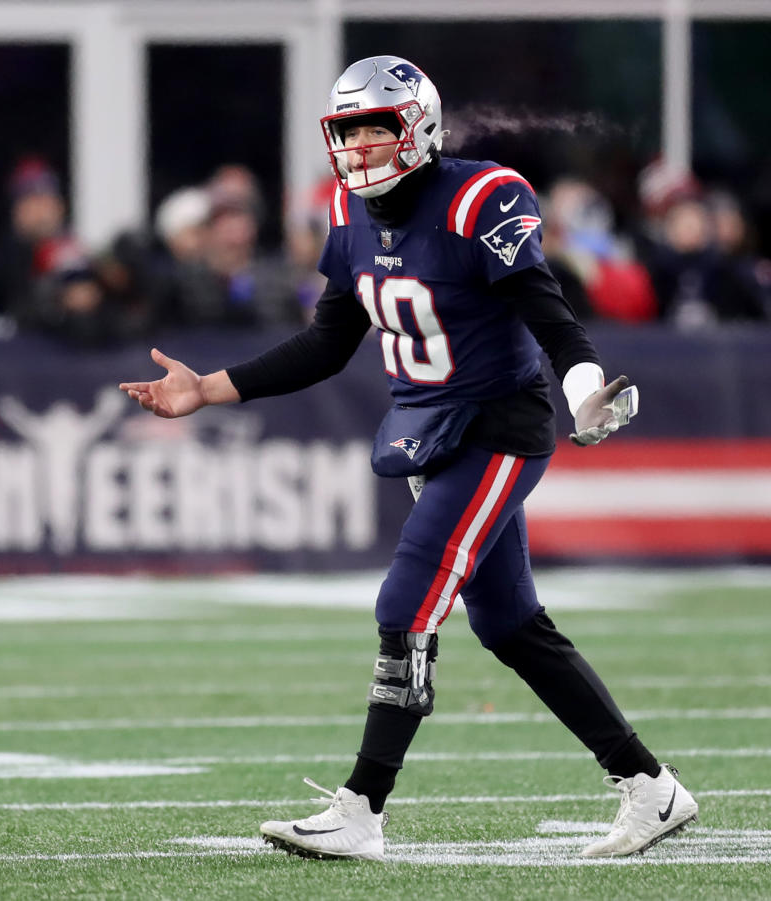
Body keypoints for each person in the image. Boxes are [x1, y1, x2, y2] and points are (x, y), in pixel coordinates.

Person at [119, 56, 698, 861]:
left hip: (498, 426)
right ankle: (651, 786)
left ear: (418, 127)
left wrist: (586, 390)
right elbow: (328, 340)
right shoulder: (347, 209)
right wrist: (208, 388)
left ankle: (363, 806)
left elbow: (553, 317)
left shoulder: (479, 197)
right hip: (430, 427)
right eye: (346, 131)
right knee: (510, 624)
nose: (358, 148)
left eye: (375, 128)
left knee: (407, 598)